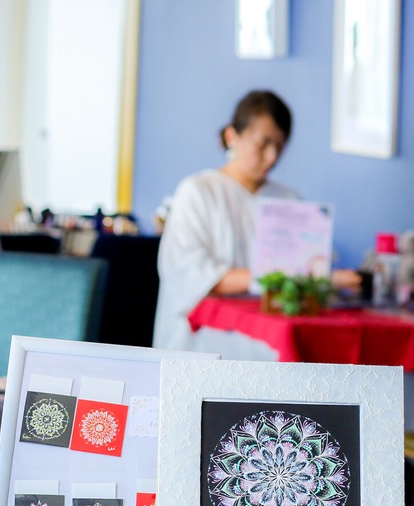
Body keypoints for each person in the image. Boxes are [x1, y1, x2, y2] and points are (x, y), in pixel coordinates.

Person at [152, 90, 359, 350]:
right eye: (263, 144)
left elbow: (308, 269)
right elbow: (192, 275)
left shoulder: (289, 201)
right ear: (232, 136)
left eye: (280, 146)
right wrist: (281, 274)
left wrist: (327, 277)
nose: (272, 157)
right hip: (201, 344)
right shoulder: (199, 191)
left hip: (267, 343)